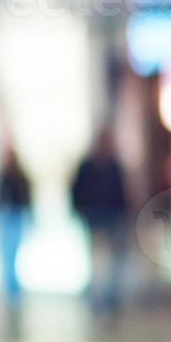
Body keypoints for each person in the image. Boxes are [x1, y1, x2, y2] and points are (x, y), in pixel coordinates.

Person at [69, 127, 130, 327]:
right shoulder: (87, 166)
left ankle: (110, 301)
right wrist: (82, 210)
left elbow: (122, 193)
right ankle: (97, 301)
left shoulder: (114, 166)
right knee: (96, 263)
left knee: (112, 263)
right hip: (93, 218)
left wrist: (124, 213)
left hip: (112, 218)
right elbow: (77, 191)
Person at [0, 143, 32, 339]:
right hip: (5, 218)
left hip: (15, 218)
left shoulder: (20, 176)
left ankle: (14, 295)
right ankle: (10, 295)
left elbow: (26, 198)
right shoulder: (2, 175)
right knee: (7, 261)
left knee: (12, 260)